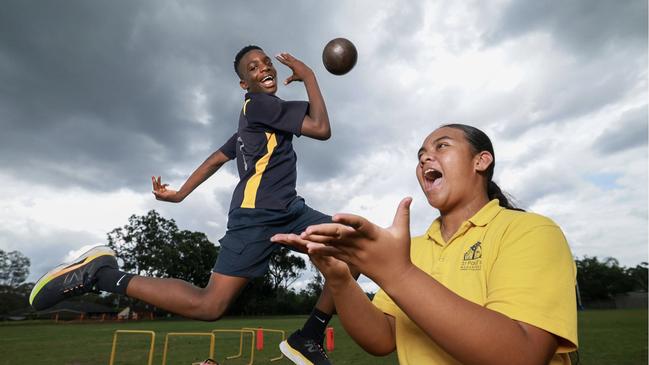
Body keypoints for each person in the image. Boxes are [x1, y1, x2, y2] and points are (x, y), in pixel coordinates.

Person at [30, 45, 340, 365]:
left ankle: (310, 337)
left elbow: (218, 157)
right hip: (256, 217)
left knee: (351, 246)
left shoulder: (255, 120)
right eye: (252, 68)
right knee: (209, 306)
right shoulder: (260, 105)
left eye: (265, 63)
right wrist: (310, 76)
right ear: (243, 85)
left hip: (290, 210)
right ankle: (100, 276)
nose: (263, 68)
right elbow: (321, 128)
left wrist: (181, 194)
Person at [272, 124, 579, 365]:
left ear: (481, 160)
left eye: (441, 146)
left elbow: (521, 355)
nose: (424, 158)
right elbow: (382, 340)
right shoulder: (413, 250)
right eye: (420, 155)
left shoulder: (531, 231)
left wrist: (398, 274)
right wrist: (339, 280)